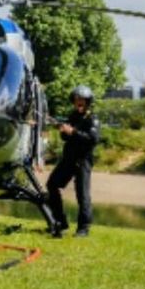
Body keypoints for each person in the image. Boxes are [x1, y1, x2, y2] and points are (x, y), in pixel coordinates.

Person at [46, 85, 100, 237]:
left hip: (83, 161)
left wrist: (73, 131)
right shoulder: (73, 116)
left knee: (82, 195)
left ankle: (83, 228)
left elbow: (92, 139)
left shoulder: (92, 119)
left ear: (88, 102)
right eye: (76, 100)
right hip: (68, 159)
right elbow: (66, 137)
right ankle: (59, 222)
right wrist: (63, 130)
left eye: (82, 100)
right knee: (52, 185)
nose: (79, 102)